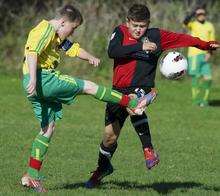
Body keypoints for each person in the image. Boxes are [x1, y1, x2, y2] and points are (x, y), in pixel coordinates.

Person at [85, 3, 219, 188]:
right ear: (128, 22)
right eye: (135, 26)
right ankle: (102, 169)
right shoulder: (121, 32)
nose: (138, 30)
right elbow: (112, 51)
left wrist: (207, 45)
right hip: (117, 91)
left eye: (142, 26)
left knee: (135, 104)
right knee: (109, 137)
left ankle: (148, 150)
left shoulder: (157, 36)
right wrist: (140, 45)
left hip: (142, 88)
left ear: (148, 23)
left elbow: (186, 39)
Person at [20, 4, 149, 192]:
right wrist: (33, 78)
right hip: (42, 78)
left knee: (48, 128)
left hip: (33, 85)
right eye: (73, 28)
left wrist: (89, 57)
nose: (72, 33)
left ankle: (31, 175)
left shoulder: (56, 35)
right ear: (63, 22)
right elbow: (32, 52)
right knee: (90, 87)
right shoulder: (45, 28)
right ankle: (131, 101)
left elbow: (71, 48)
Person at [183, 6, 216, 107]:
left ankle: (205, 101)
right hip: (194, 55)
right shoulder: (192, 24)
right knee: (196, 78)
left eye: (202, 14)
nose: (201, 16)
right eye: (199, 14)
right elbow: (185, 22)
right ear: (196, 15)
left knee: (208, 78)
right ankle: (195, 101)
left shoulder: (210, 26)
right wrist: (193, 12)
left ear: (205, 15)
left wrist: (210, 53)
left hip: (205, 55)